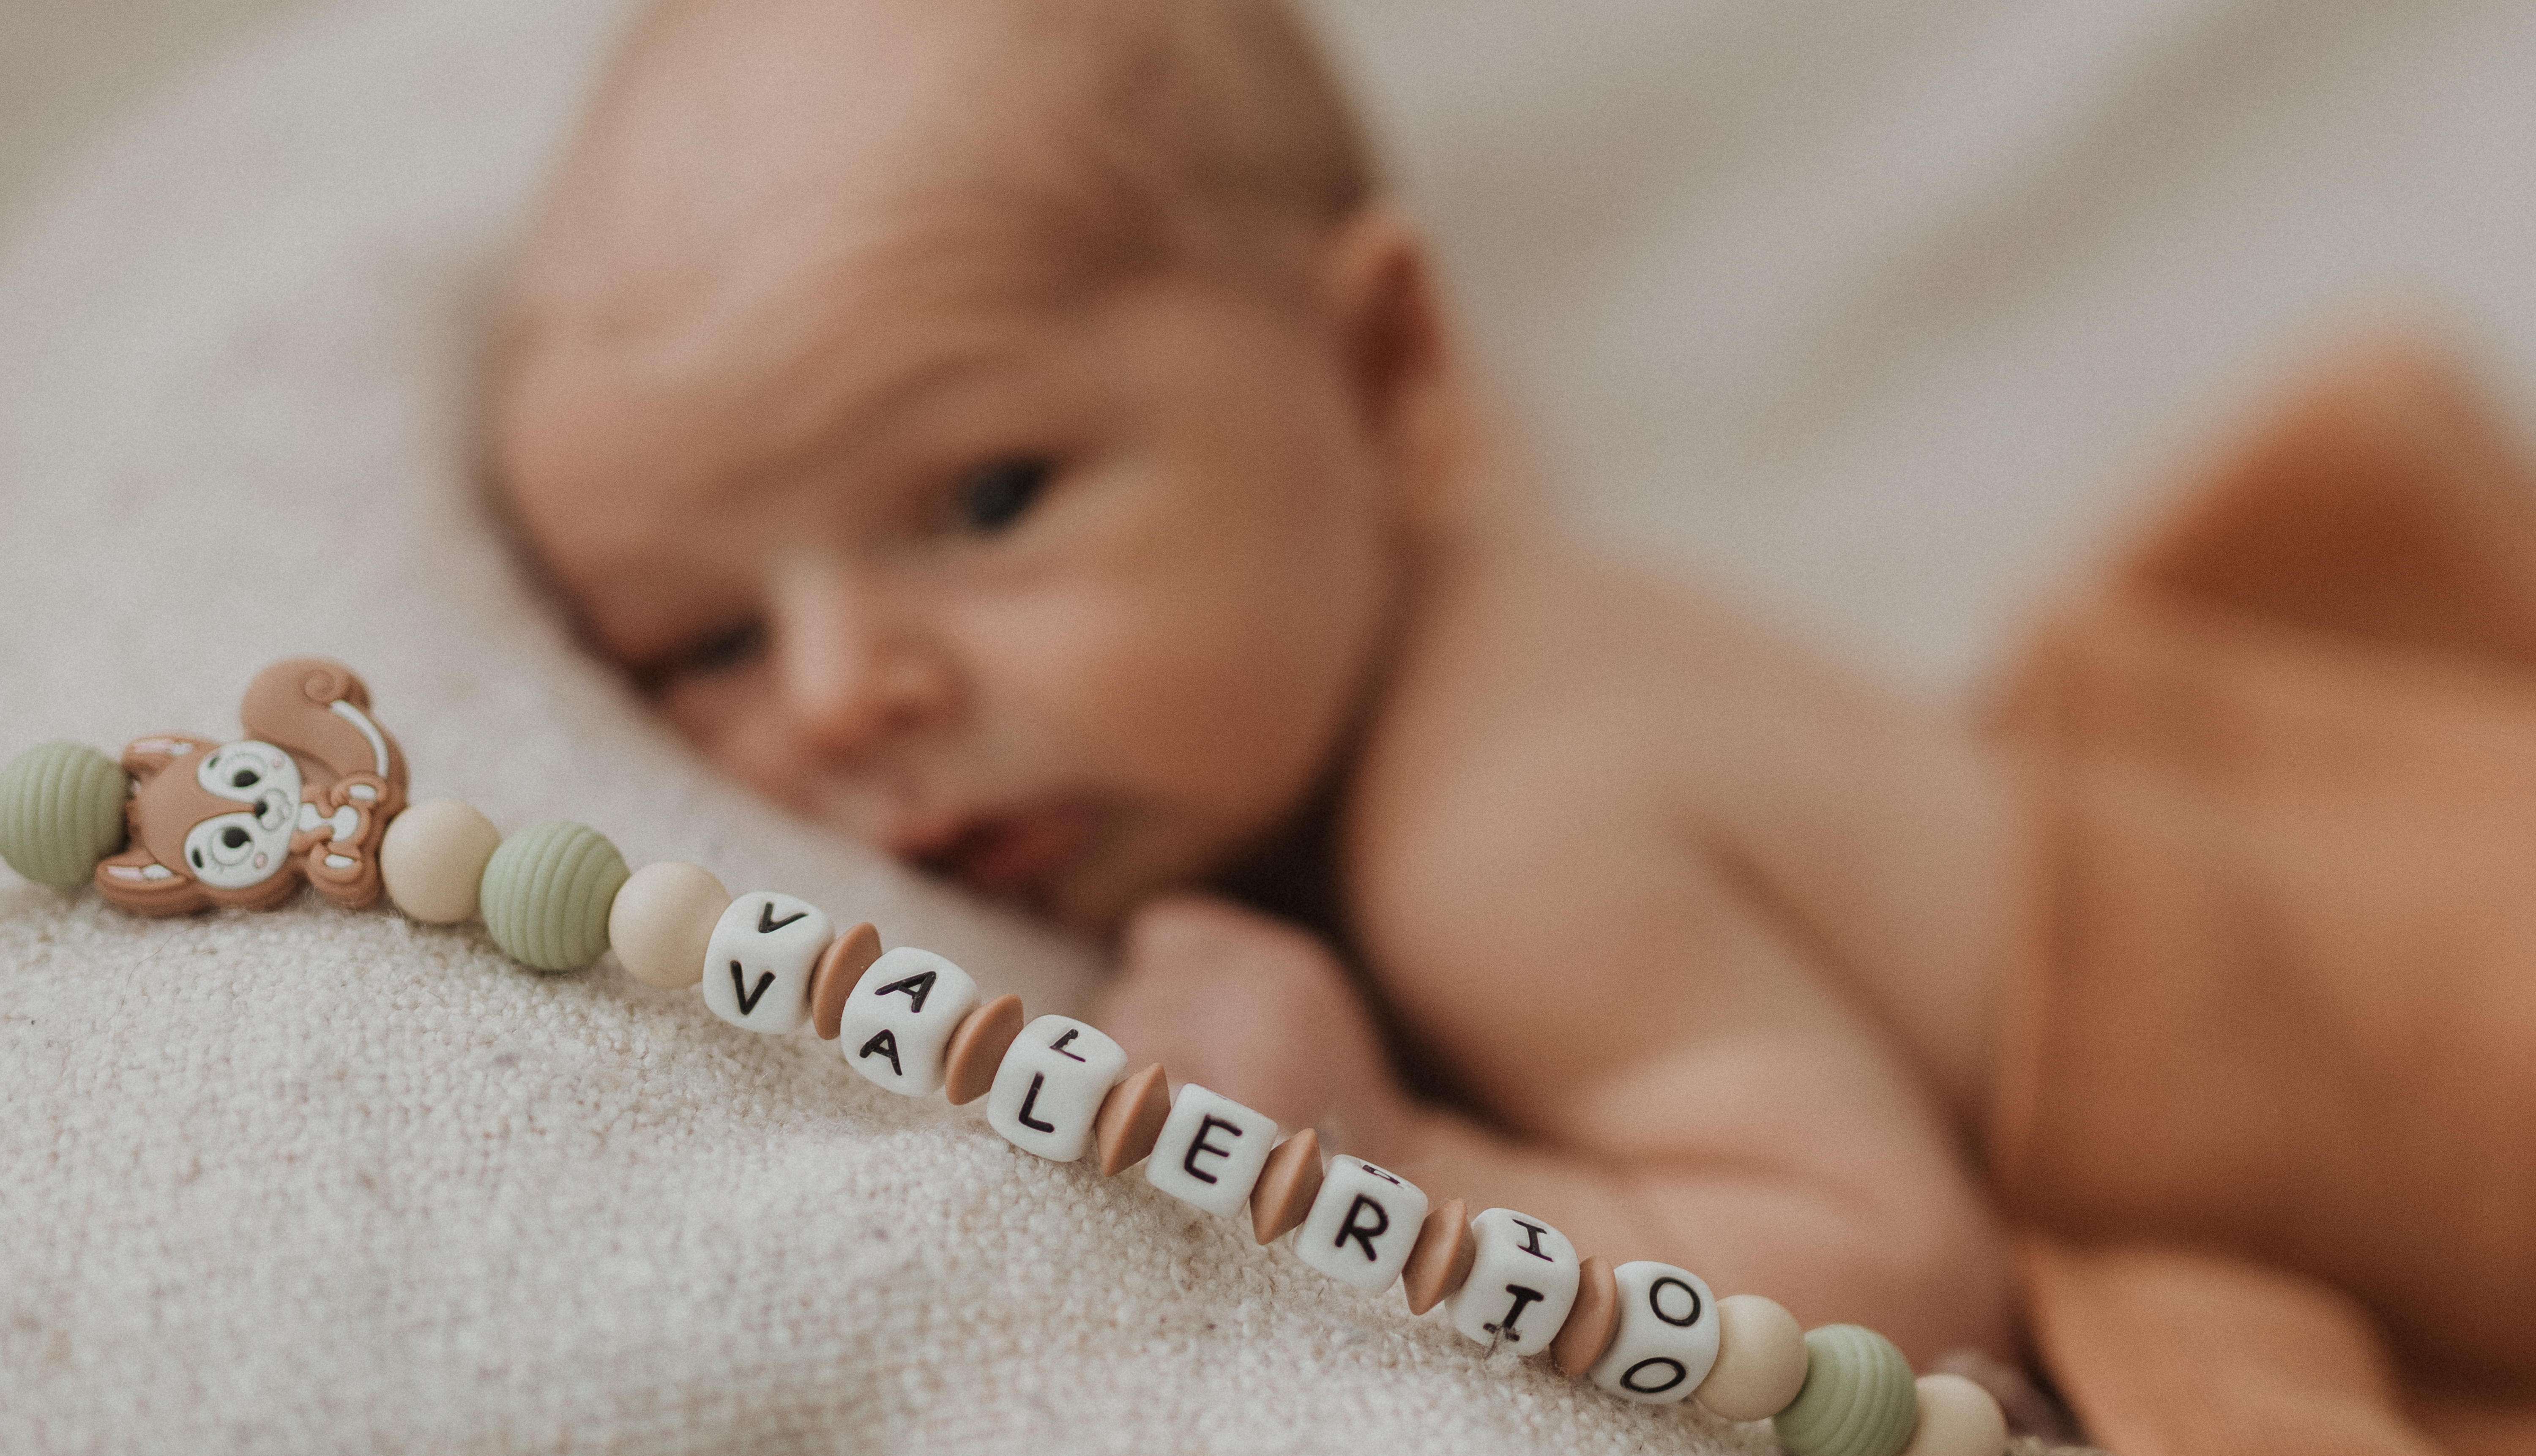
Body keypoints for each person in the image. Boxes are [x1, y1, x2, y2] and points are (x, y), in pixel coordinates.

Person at [489, 0, 2015, 1366]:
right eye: (708, 646)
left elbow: (1908, 1302)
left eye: (990, 499)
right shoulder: (1349, 621)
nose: (835, 699)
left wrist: (1396, 1155)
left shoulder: (1497, 831)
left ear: (1385, 379)